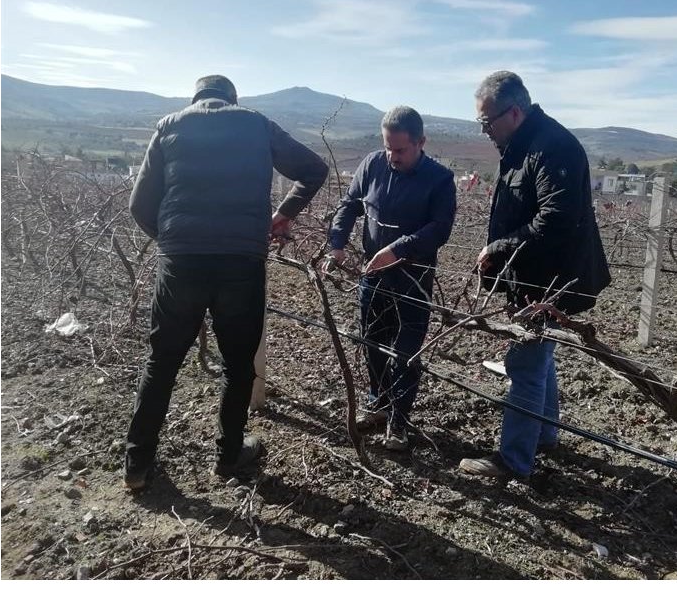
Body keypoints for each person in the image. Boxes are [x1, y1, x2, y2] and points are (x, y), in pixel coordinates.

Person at [124, 75, 328, 491]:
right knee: (237, 366)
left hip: (181, 263)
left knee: (161, 363)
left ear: (195, 99)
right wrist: (284, 213)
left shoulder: (170, 125)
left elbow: (140, 204)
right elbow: (314, 169)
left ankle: (137, 465)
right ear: (232, 99)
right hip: (240, 262)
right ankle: (228, 456)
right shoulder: (256, 123)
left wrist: (175, 241)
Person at [459, 71, 611, 479]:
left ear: (514, 112)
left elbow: (555, 219)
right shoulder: (523, 143)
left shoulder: (552, 147)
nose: (484, 130)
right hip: (531, 277)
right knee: (539, 354)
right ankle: (544, 434)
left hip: (549, 281)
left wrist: (498, 248)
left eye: (486, 121)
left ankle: (513, 460)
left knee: (525, 363)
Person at [325, 106, 457, 451]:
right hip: (374, 275)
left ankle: (399, 420)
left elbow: (439, 229)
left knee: (406, 352)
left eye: (400, 150)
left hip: (413, 278)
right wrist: (337, 243)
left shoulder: (440, 179)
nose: (392, 156)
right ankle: (378, 403)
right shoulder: (372, 164)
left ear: (420, 142)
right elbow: (350, 204)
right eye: (388, 147)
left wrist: (399, 249)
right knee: (372, 341)